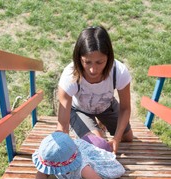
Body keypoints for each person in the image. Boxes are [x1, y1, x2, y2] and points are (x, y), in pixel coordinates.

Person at [57, 25, 133, 154]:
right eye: (87, 62)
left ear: (109, 58)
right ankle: (88, 129)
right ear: (79, 58)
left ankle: (100, 124)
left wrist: (116, 139)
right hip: (80, 109)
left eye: (99, 62)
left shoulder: (119, 71)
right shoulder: (70, 75)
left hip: (107, 106)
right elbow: (62, 124)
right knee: (98, 145)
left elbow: (125, 108)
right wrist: (62, 147)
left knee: (128, 138)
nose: (93, 70)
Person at [32, 131, 125, 179]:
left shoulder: (82, 167)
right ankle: (92, 135)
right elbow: (42, 171)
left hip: (91, 153)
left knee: (101, 145)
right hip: (71, 151)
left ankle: (95, 135)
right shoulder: (51, 161)